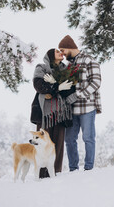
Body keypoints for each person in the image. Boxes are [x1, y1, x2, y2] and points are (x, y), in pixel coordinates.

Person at [58, 35, 102, 171]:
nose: (62, 54)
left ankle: (89, 168)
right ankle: (73, 169)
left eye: (63, 50)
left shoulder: (89, 60)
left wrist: (78, 95)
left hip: (87, 107)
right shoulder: (69, 65)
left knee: (88, 138)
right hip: (71, 110)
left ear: (69, 47)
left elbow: (96, 82)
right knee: (69, 139)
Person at [30, 48, 75, 178]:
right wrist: (58, 88)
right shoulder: (41, 67)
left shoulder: (66, 71)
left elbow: (70, 90)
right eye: (57, 52)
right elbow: (39, 85)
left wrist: (54, 86)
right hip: (45, 114)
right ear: (50, 55)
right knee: (42, 143)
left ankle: (55, 173)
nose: (61, 53)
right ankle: (41, 174)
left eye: (61, 52)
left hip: (61, 113)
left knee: (58, 144)